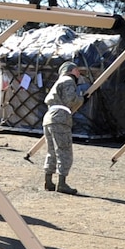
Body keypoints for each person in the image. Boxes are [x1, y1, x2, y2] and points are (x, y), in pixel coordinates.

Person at [42, 61, 85, 195]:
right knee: (64, 150)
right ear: (71, 71)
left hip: (49, 117)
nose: (78, 73)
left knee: (52, 151)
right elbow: (70, 100)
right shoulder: (68, 81)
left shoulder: (59, 82)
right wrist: (82, 99)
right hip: (60, 118)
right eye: (77, 70)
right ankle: (62, 183)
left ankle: (48, 181)